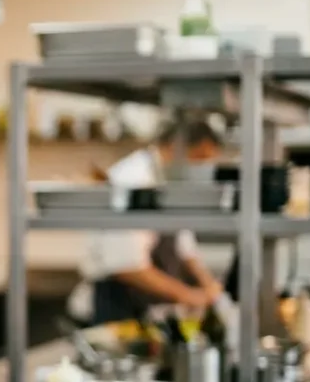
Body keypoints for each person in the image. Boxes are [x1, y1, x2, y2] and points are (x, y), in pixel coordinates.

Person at [67, 120, 225, 325]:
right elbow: (127, 266)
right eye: (199, 158)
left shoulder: (169, 179)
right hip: (118, 305)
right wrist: (188, 295)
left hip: (149, 308)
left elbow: (183, 244)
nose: (201, 170)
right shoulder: (133, 180)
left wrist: (209, 287)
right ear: (175, 147)